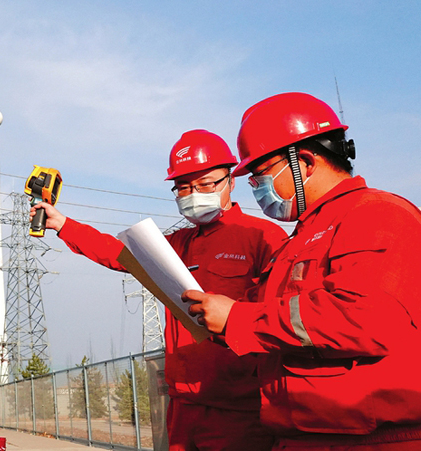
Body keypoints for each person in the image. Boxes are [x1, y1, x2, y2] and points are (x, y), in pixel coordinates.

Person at [184, 92, 421, 450]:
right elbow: (274, 317)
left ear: (305, 162)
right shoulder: (300, 239)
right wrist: (220, 317)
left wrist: (240, 320)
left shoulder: (375, 215)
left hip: (369, 439)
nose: (258, 191)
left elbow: (364, 318)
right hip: (303, 435)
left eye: (260, 176)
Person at [32, 129, 285, 451]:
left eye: (205, 184)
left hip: (240, 405)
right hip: (182, 401)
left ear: (231, 181)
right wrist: (64, 224)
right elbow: (119, 255)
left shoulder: (263, 236)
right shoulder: (177, 244)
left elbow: (278, 313)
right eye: (183, 187)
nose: (194, 194)